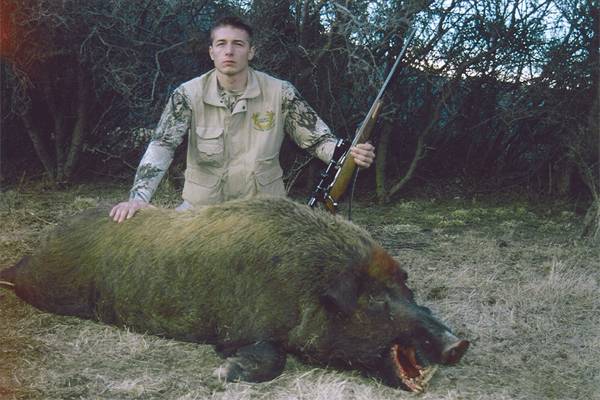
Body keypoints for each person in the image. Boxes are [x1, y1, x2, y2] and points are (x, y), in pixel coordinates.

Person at [110, 16, 375, 223]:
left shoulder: (280, 92)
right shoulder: (187, 94)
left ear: (251, 51)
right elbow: (162, 146)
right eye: (221, 44)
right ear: (211, 52)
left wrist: (351, 155)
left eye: (238, 44)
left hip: (265, 213)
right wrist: (138, 198)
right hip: (200, 211)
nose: (229, 51)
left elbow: (319, 141)